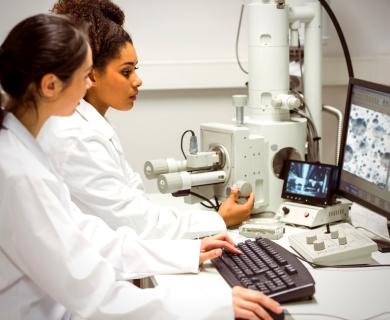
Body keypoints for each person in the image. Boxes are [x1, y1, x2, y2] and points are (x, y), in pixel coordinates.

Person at [0, 13, 282, 320]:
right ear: (51, 85)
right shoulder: (19, 173)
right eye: (84, 76)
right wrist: (215, 306)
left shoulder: (22, 153)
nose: (87, 87)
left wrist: (184, 253)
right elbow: (96, 295)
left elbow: (86, 236)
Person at [37, 0, 254, 241]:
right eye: (126, 71)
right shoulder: (77, 137)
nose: (138, 80)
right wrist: (219, 219)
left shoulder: (93, 125)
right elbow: (137, 223)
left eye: (135, 69)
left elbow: (135, 204)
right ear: (91, 74)